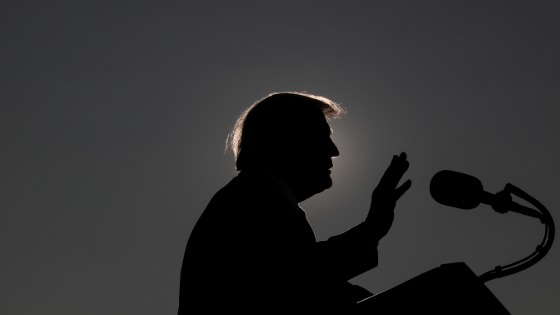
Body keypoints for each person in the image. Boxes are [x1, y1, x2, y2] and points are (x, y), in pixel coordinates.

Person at [178, 92, 411, 314]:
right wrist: (371, 229)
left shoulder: (259, 198)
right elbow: (297, 278)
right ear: (288, 141)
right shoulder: (252, 202)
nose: (334, 151)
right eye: (323, 137)